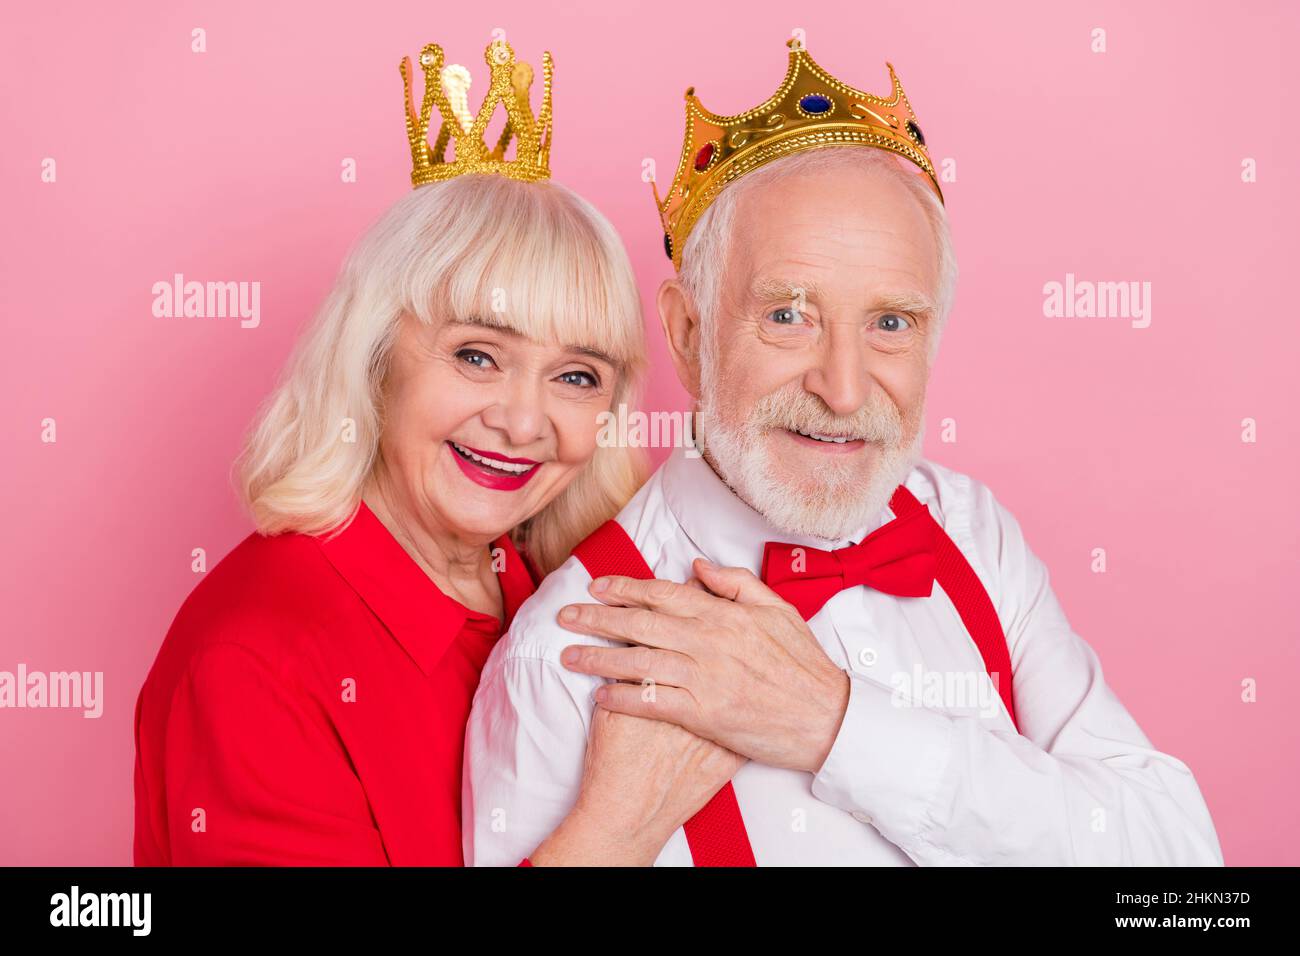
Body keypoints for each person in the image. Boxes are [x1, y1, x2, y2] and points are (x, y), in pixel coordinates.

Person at [462, 40, 1224, 866]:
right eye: (788, 317)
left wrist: (836, 725)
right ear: (688, 336)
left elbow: (1177, 863)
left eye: (890, 323)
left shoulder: (974, 533)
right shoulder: (567, 658)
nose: (846, 389)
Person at [132, 38, 738, 866]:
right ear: (375, 359)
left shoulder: (538, 584)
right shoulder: (254, 661)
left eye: (575, 375)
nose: (524, 424)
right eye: (477, 356)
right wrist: (617, 829)